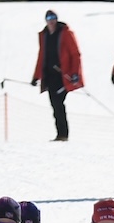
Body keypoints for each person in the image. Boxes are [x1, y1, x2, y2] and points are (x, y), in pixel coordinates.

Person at [33, 9, 83, 142]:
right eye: (49, 18)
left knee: (58, 102)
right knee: (55, 104)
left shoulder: (66, 33)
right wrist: (36, 76)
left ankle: (63, 134)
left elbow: (75, 54)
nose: (51, 21)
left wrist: (75, 73)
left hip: (63, 76)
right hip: (49, 76)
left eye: (53, 17)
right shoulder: (44, 36)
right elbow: (41, 56)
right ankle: (60, 133)